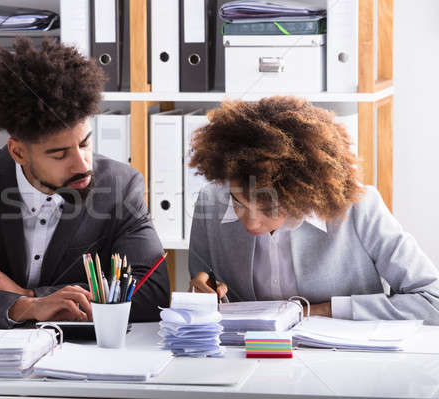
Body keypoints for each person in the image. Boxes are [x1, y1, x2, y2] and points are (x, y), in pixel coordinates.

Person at [0, 38, 170, 328]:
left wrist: (30, 295)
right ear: (18, 152)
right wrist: (22, 307)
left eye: (85, 143)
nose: (82, 165)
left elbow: (153, 294)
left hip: (84, 359)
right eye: (59, 154)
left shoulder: (121, 185)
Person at [187, 96, 439, 323]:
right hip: (251, 358)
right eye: (238, 202)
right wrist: (203, 289)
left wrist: (321, 310)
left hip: (347, 362)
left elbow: (432, 301)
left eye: (268, 207)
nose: (251, 223)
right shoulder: (211, 201)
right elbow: (204, 279)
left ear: (301, 192)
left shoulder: (360, 208)